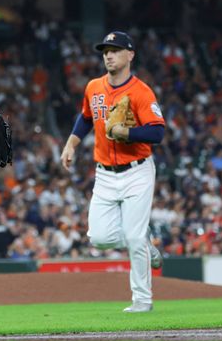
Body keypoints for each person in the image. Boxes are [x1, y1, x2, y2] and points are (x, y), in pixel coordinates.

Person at [60, 31, 165, 313]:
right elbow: (84, 118)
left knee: (132, 236)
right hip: (104, 173)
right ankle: (142, 241)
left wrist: (128, 132)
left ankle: (142, 300)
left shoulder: (142, 92)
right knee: (99, 238)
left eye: (115, 50)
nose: (108, 54)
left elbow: (158, 132)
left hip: (137, 171)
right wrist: (71, 143)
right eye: (105, 50)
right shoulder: (93, 87)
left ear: (130, 55)